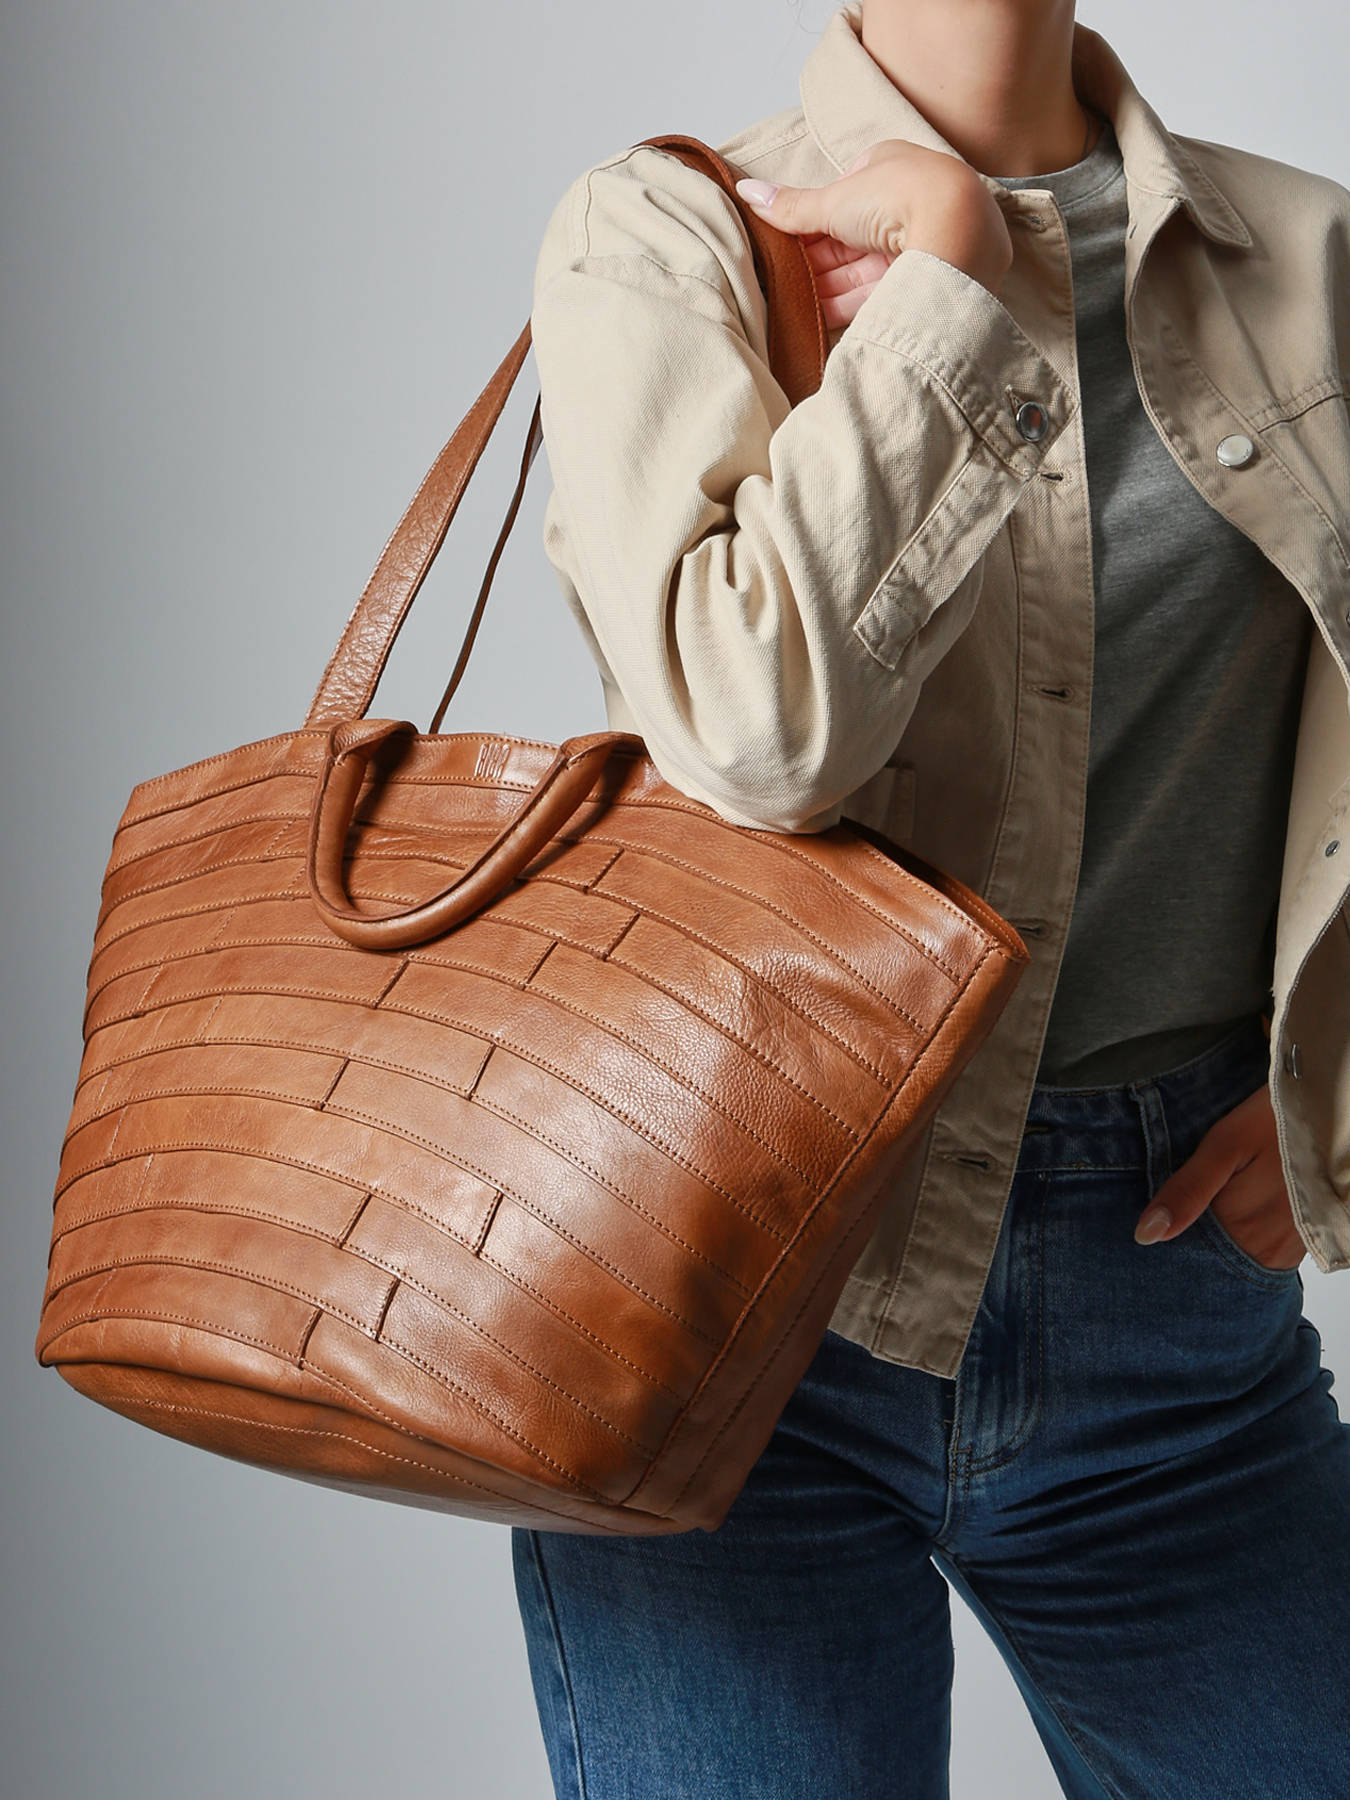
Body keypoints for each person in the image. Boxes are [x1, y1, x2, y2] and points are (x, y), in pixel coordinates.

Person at [511, 2, 1350, 1794]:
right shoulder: (671, 233)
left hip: (1175, 1322)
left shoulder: (1307, 255)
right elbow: (757, 734)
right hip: (739, 1312)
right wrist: (951, 274)